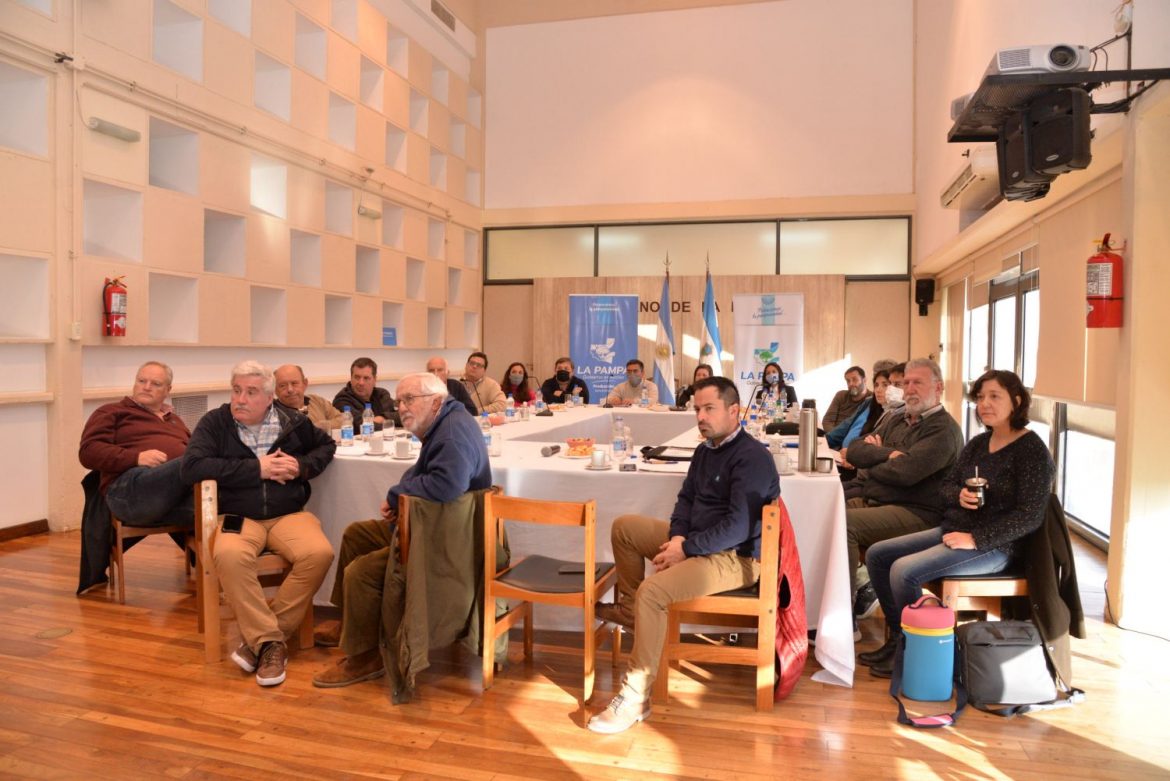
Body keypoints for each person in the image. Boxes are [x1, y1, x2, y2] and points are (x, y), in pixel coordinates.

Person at [589, 377, 779, 733]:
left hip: (736, 559)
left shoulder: (752, 458)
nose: (700, 417)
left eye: (709, 409)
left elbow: (738, 528)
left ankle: (634, 698)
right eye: (697, 409)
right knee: (625, 528)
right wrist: (678, 537)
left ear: (734, 411)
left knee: (654, 591)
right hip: (697, 542)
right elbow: (686, 500)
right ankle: (634, 615)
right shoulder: (707, 449)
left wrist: (686, 549)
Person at [862, 370, 1055, 677]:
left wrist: (976, 539)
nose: (985, 404)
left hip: (995, 546)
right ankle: (901, 638)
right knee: (878, 555)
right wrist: (961, 494)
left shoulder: (1032, 452)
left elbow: (1030, 515)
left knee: (904, 571)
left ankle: (919, 650)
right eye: (980, 398)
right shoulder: (979, 443)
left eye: (994, 396)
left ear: (1017, 401)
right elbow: (947, 486)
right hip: (953, 530)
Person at [312, 372, 492, 687]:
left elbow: (446, 484)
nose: (401, 408)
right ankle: (350, 625)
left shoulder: (451, 434)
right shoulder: (446, 422)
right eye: (399, 401)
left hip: (445, 540)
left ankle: (365, 656)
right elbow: (426, 472)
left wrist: (398, 493)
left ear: (436, 402)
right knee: (357, 534)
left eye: (409, 399)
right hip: (432, 524)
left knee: (361, 572)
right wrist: (401, 492)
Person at [181, 361, 336, 687]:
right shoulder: (215, 423)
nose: (240, 399)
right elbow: (192, 467)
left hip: (288, 513)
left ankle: (263, 640)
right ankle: (270, 644)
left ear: (269, 398)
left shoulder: (293, 421)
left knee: (319, 553)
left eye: (251, 392)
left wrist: (301, 466)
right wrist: (257, 469)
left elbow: (327, 445)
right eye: (237, 390)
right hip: (238, 515)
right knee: (230, 555)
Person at [842, 358, 964, 621]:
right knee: (824, 514)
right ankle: (839, 595)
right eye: (906, 382)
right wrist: (888, 455)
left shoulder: (943, 430)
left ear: (939, 387)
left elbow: (905, 474)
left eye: (917, 382)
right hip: (880, 499)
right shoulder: (898, 419)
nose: (909, 389)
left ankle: (843, 615)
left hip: (919, 514)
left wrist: (875, 459)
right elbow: (854, 449)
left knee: (844, 524)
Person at [79, 361, 193, 527]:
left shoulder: (175, 420)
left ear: (168, 390)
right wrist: (137, 458)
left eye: (155, 384)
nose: (146, 387)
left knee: (219, 479)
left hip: (174, 497)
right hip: (129, 491)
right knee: (194, 463)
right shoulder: (112, 411)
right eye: (141, 381)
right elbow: (88, 452)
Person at [826, 369, 889, 452]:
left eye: (885, 385)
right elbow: (845, 424)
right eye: (876, 385)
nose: (878, 390)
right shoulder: (869, 402)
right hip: (840, 450)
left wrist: (851, 452)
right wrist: (824, 440)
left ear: (864, 380)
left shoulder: (892, 413)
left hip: (855, 456)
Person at [332, 357, 399, 429]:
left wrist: (381, 418)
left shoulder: (381, 394)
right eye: (357, 377)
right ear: (351, 378)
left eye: (366, 378)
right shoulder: (342, 400)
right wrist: (389, 421)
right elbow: (360, 426)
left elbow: (402, 416)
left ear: (375, 380)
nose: (361, 383)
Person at [274, 364, 342, 430]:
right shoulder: (271, 413)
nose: (290, 389)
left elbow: (344, 420)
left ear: (305, 384)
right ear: (275, 389)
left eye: (294, 383)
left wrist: (326, 425)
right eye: (282, 385)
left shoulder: (317, 401)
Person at [821, 365, 870, 430]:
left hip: (854, 438)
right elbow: (827, 421)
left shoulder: (871, 399)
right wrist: (834, 436)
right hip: (833, 436)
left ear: (864, 380)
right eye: (848, 381)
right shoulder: (841, 395)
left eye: (854, 379)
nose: (850, 384)